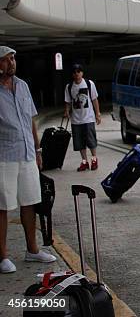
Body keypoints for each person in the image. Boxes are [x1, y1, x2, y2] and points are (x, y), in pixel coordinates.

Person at [0, 46, 57, 274]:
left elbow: (30, 120)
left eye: (13, 59)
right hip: (4, 155)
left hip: (27, 154)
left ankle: (32, 250)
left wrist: (38, 150)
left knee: (30, 201)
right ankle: (2, 256)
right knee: (2, 206)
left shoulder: (22, 86)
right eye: (6, 60)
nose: (12, 63)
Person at [64, 64, 101, 171]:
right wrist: (66, 111)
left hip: (88, 118)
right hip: (76, 120)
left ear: (82, 73)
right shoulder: (69, 87)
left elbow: (94, 99)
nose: (77, 74)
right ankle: (84, 162)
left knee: (91, 141)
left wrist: (98, 114)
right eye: (74, 72)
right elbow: (68, 101)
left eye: (79, 72)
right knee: (79, 143)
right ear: (72, 74)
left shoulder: (89, 84)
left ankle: (94, 160)